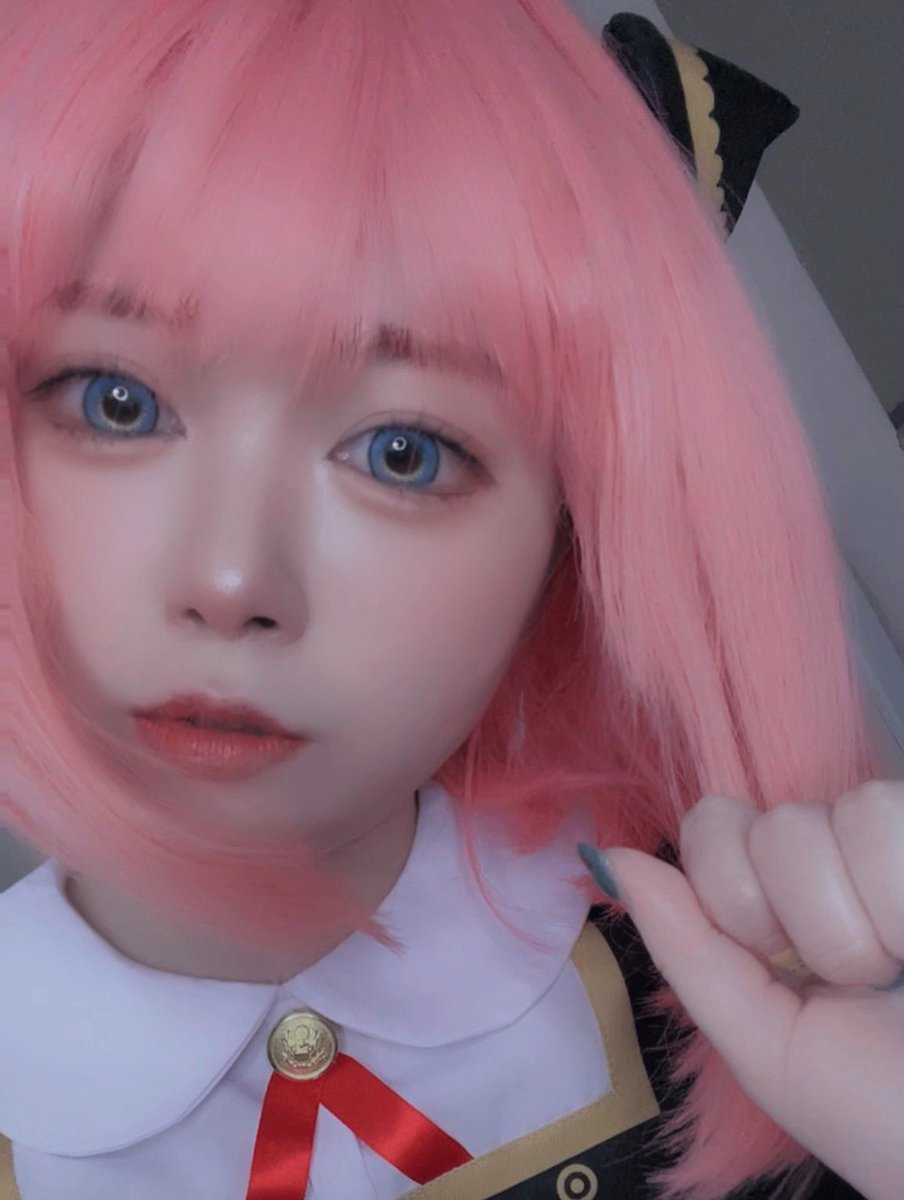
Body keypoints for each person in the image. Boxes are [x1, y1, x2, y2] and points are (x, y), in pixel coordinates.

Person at [0, 3, 900, 1198]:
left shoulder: (731, 973)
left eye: (402, 453)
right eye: (113, 403)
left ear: (567, 544)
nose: (231, 581)